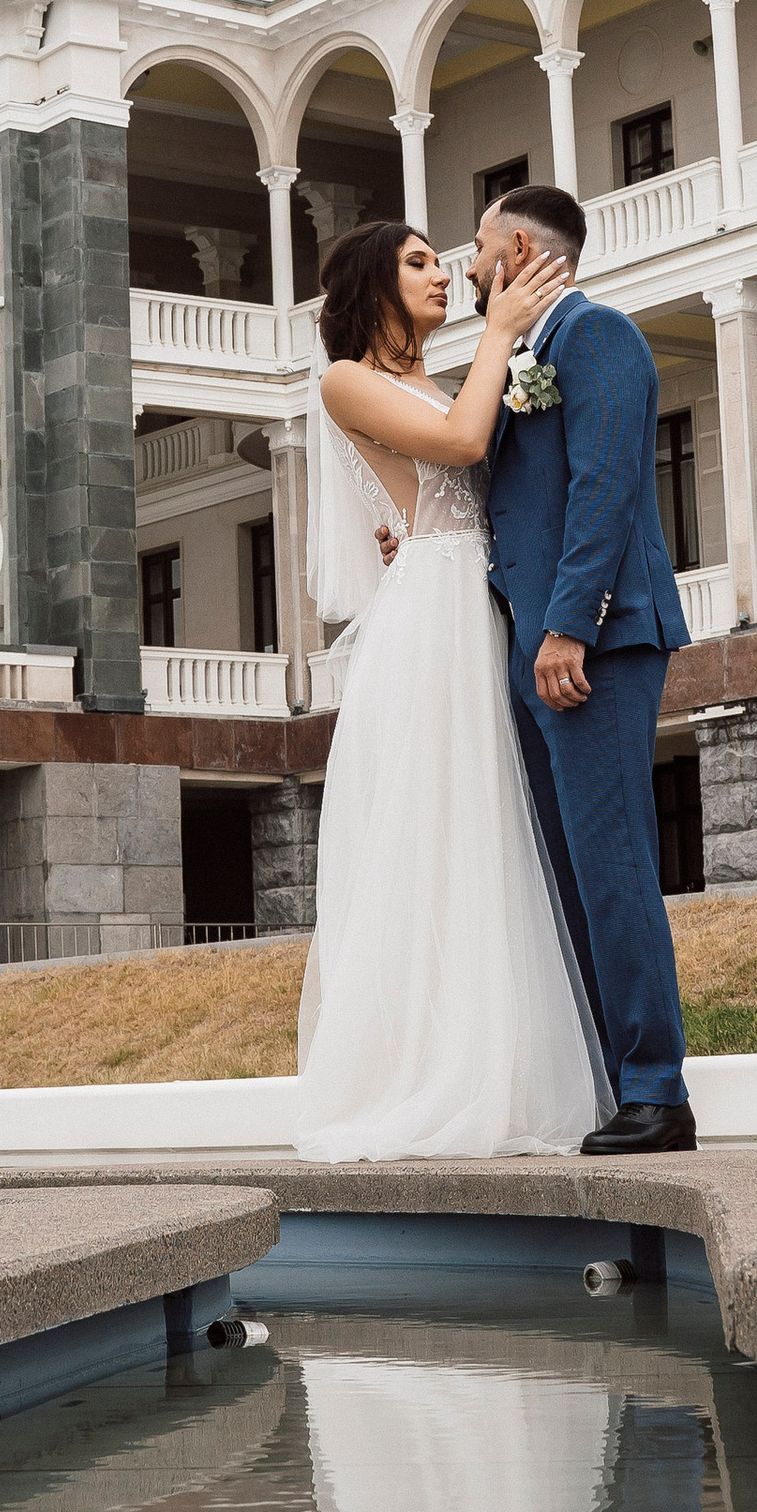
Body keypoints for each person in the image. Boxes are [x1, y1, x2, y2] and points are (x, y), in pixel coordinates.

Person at [292, 219, 611, 1160]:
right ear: (372, 285)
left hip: (484, 602)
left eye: (441, 260)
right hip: (434, 619)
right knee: (441, 836)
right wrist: (503, 329)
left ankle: (503, 1065)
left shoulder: (437, 379)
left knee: (494, 834)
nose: (444, 275)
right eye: (419, 263)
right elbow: (465, 443)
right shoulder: (346, 379)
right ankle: (427, 1075)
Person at [473, 184, 696, 1155]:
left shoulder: (596, 336)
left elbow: (605, 487)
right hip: (537, 650)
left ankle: (656, 1090)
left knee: (612, 864)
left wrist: (568, 626)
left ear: (519, 250)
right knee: (567, 871)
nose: (469, 268)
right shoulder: (520, 355)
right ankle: (612, 1083)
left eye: (478, 248)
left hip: (591, 646)